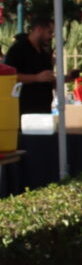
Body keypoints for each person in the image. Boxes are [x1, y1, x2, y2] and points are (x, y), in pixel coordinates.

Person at [6, 14, 59, 189]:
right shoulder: (19, 49)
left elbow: (46, 76)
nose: (51, 36)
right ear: (38, 29)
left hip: (43, 109)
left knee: (41, 148)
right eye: (49, 32)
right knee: (27, 148)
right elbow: (11, 77)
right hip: (25, 109)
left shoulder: (44, 51)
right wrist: (36, 78)